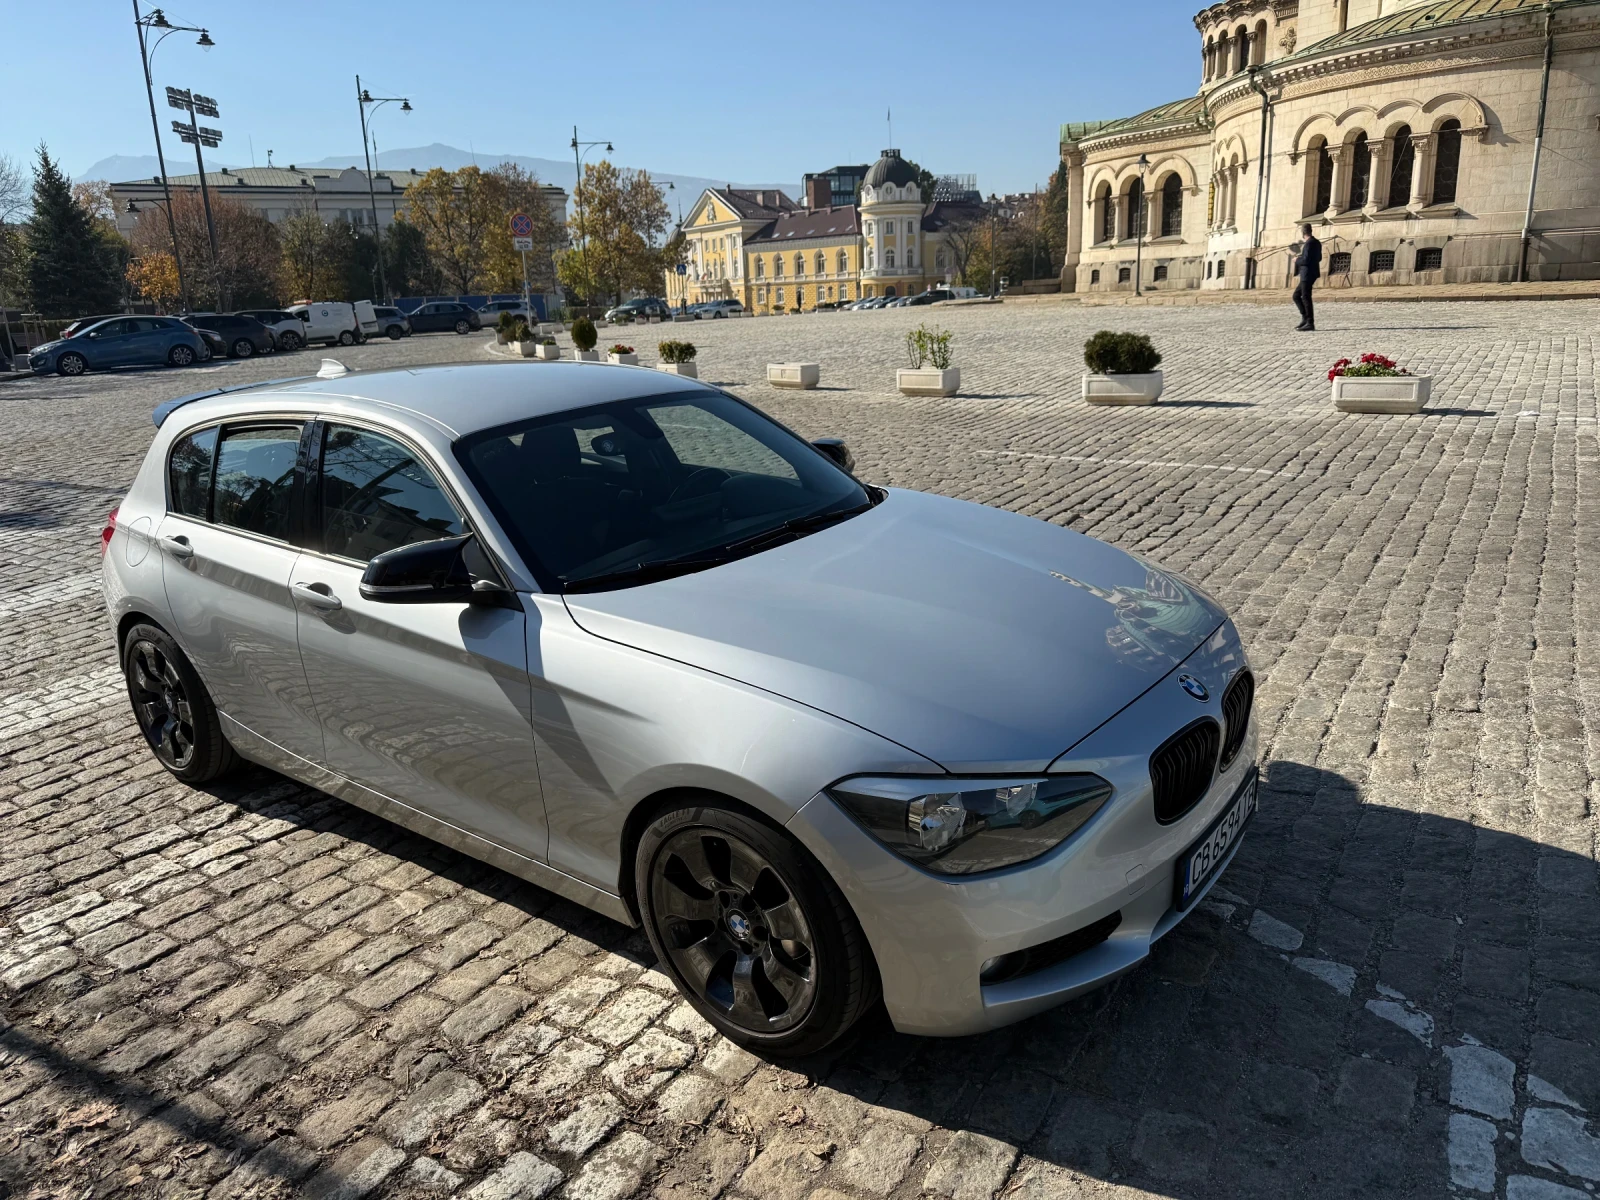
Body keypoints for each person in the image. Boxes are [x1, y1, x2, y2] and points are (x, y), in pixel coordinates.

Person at [1293, 223, 1322, 331]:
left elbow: (1305, 260)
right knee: (1296, 295)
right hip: (1312, 273)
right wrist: (1302, 257)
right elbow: (1318, 258)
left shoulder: (1309, 244)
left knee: (1305, 297)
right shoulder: (1317, 242)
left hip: (1307, 273)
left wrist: (1297, 260)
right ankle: (1305, 318)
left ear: (1303, 233)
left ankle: (1310, 322)